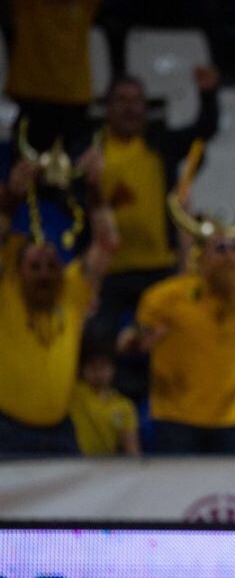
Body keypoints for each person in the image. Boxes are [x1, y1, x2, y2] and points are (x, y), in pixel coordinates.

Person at [125, 214, 235, 455]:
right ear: (201, 256)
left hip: (232, 421)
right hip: (177, 420)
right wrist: (137, 342)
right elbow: (132, 341)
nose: (230, 256)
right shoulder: (166, 296)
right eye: (221, 249)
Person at [94, 70, 221, 337]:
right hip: (109, 270)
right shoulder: (91, 150)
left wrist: (208, 95)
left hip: (159, 267)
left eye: (136, 100)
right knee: (97, 334)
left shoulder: (160, 144)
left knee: (175, 335)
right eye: (121, 100)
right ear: (107, 106)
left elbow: (204, 129)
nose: (130, 108)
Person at [0, 171, 117, 455]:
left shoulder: (71, 294)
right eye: (35, 266)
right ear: (20, 270)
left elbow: (107, 243)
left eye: (52, 266)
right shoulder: (7, 292)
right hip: (7, 430)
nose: (44, 274)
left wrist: (94, 187)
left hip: (59, 431)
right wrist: (11, 199)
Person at [5, 0, 130, 151]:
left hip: (74, 109)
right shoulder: (25, 2)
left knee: (74, 177)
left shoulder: (83, 3)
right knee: (26, 178)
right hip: (31, 106)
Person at [70, 338, 140, 456]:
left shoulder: (124, 406)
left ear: (113, 369)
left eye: (103, 367)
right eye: (92, 367)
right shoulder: (75, 393)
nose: (98, 373)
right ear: (82, 370)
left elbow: (132, 449)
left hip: (107, 466)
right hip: (76, 460)